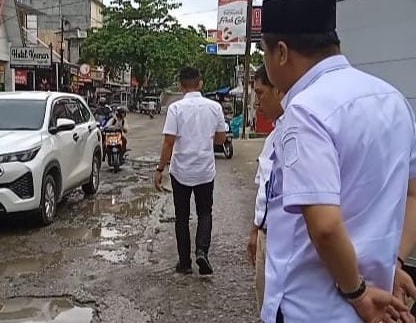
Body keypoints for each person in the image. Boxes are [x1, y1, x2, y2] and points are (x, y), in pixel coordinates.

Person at [260, 0, 416, 322]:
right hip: (378, 300)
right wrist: (394, 263)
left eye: (265, 52)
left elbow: (326, 227)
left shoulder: (306, 110)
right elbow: (413, 194)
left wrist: (357, 295)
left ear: (282, 53)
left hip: (311, 308)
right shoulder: (392, 100)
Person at [154, 67, 226, 275]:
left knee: (182, 217)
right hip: (204, 170)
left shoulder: (176, 109)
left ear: (180, 85)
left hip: (181, 171)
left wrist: (160, 169)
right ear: (200, 83)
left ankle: (184, 262)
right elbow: (221, 139)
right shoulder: (215, 108)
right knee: (205, 212)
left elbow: (168, 142)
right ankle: (202, 251)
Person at [247, 64, 284, 314]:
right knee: (266, 310)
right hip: (265, 235)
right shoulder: (272, 138)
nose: (257, 103)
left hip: (284, 243)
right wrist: (255, 232)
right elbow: (264, 190)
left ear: (279, 90)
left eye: (260, 94)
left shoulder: (300, 135)